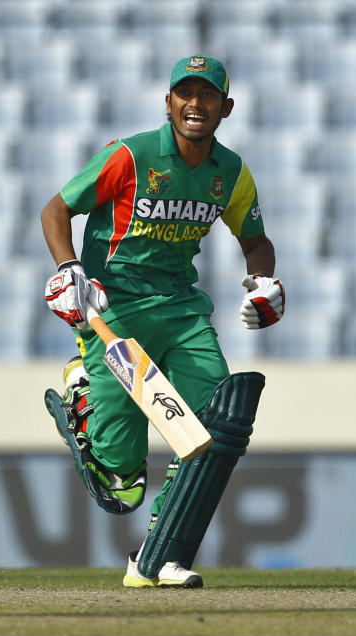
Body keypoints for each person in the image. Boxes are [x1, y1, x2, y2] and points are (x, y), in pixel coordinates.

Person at [41, 55, 282, 588]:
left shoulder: (232, 173)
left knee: (218, 425)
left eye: (208, 95)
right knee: (120, 487)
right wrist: (68, 270)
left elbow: (255, 239)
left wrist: (265, 280)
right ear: (168, 102)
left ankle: (159, 555)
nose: (196, 104)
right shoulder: (130, 155)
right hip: (115, 308)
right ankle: (83, 400)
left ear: (226, 107)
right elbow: (56, 210)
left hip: (179, 308)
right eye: (185, 93)